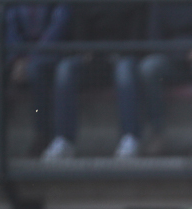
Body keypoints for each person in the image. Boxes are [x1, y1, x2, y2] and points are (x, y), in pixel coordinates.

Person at [40, 1, 146, 161]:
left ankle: (130, 138)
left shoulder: (132, 3)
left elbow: (136, 38)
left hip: (122, 57)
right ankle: (64, 140)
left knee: (125, 70)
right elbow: (80, 35)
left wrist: (116, 53)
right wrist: (86, 51)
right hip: (91, 59)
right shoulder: (85, 3)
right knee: (66, 68)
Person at [138, 1, 192, 156]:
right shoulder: (160, 4)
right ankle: (157, 135)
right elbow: (155, 39)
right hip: (172, 60)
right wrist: (184, 52)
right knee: (149, 67)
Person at [5, 2, 71, 157]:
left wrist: (29, 59)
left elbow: (57, 29)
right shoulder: (14, 5)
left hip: (48, 56)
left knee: (35, 71)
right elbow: (10, 27)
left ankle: (42, 135)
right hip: (17, 57)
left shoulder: (58, 5)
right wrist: (18, 58)